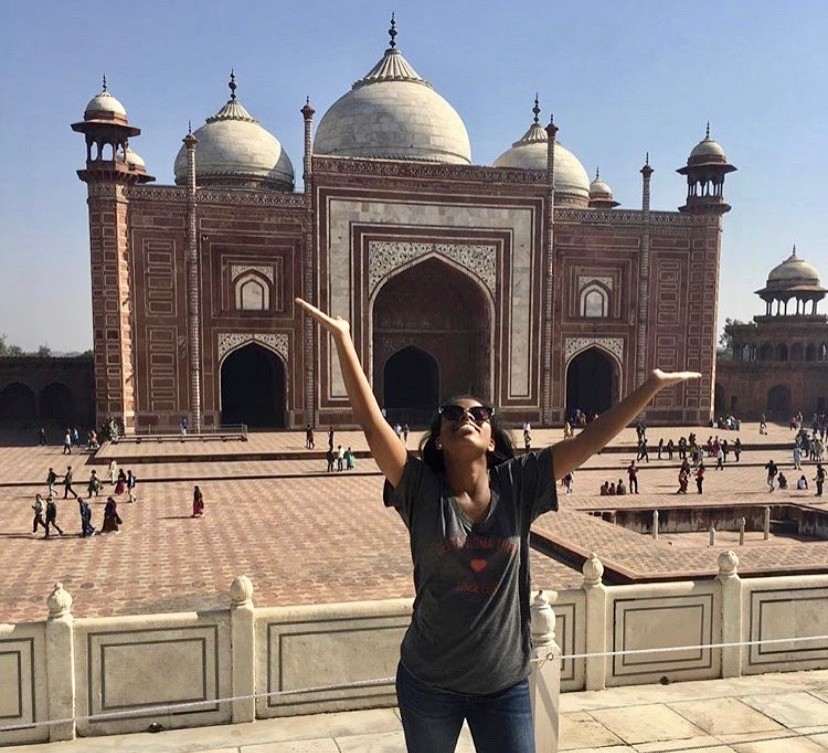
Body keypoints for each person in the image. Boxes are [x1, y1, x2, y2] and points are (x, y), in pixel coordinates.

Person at [296, 296, 699, 752]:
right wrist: (345, 340)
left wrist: (649, 387)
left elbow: (589, 441)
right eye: (452, 414)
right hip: (429, 682)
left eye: (478, 415)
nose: (465, 418)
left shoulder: (519, 485)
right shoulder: (421, 491)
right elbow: (372, 425)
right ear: (439, 437)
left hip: (503, 683)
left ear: (491, 439)